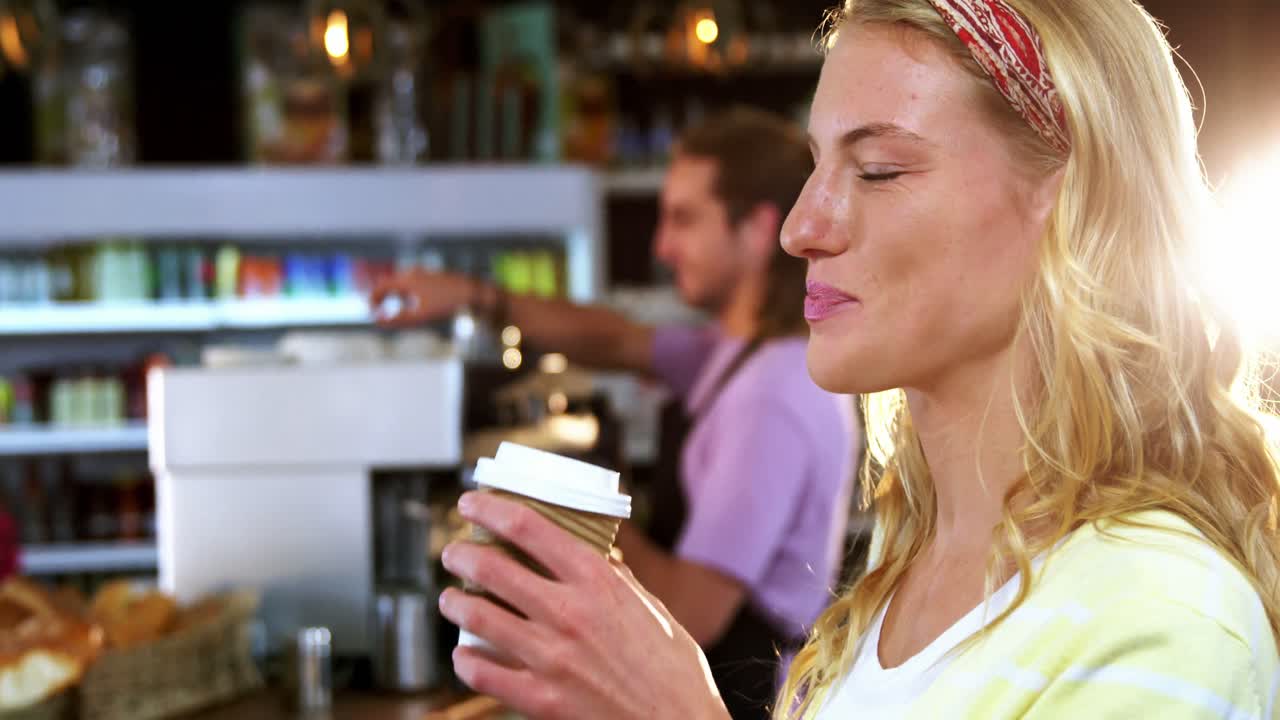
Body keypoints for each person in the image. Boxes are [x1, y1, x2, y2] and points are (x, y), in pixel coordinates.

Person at [430, 0, 1280, 718]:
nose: (803, 228)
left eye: (878, 170)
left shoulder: (1165, 612)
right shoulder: (898, 579)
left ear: (1069, 199)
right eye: (815, 166)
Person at [372, 109, 857, 718]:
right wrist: (476, 298)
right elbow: (616, 339)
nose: (662, 246)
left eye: (683, 219)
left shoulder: (770, 397)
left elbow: (694, 612)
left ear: (758, 230)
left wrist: (576, 506)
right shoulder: (732, 353)